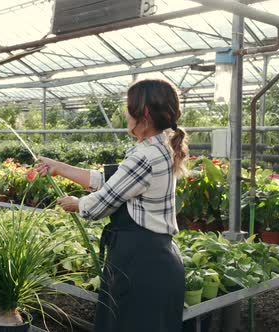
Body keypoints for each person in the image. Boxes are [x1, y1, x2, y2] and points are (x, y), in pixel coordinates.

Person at [36, 79, 187, 332]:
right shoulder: (160, 145)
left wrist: (78, 203)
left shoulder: (145, 155)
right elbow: (112, 181)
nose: (125, 113)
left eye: (128, 107)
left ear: (144, 113)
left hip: (142, 265)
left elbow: (101, 204)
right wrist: (59, 167)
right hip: (155, 260)